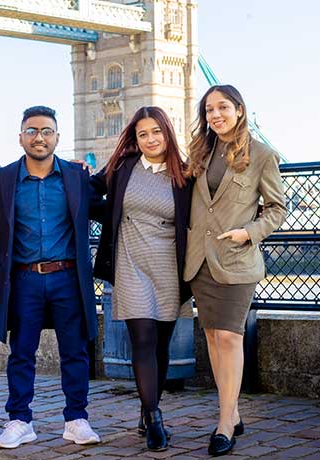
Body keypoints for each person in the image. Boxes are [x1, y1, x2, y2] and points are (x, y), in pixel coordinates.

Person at [0, 106, 100, 449]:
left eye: (47, 131)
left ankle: (76, 419)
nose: (40, 137)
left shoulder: (77, 177)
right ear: (21, 136)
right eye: (33, 131)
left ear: (57, 138)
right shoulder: (2, 180)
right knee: (21, 352)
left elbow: (111, 207)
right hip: (23, 279)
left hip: (68, 277)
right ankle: (19, 420)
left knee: (75, 351)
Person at [184, 85, 286, 456]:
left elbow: (276, 208)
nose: (215, 115)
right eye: (209, 109)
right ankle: (234, 410)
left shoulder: (262, 154)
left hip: (236, 259)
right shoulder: (199, 151)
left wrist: (250, 232)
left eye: (223, 107)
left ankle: (225, 421)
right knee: (212, 337)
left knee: (229, 337)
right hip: (199, 261)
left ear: (239, 110)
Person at [89, 106, 193, 451]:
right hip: (130, 260)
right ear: (135, 139)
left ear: (168, 133)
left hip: (169, 265)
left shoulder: (185, 173)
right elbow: (89, 194)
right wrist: (115, 214)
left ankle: (148, 406)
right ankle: (154, 418)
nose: (150, 139)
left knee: (161, 343)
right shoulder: (122, 168)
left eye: (156, 132)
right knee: (143, 339)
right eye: (142, 134)